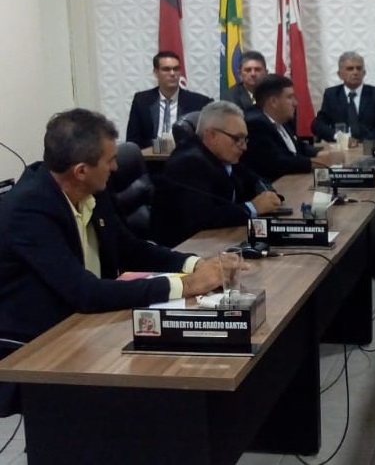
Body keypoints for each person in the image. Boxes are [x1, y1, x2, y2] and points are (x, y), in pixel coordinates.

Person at [0, 109, 223, 345]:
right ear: (81, 171)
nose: (115, 167)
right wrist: (187, 284)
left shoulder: (92, 190)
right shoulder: (28, 211)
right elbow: (84, 292)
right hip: (35, 344)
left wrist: (195, 264)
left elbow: (129, 249)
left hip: (88, 325)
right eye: (109, 161)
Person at [150, 101, 282, 247]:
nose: (244, 147)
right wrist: (253, 207)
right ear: (212, 135)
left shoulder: (224, 156)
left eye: (245, 139)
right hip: (184, 247)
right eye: (237, 139)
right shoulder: (189, 163)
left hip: (216, 239)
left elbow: (254, 179)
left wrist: (266, 191)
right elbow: (203, 217)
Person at [126, 51, 213, 148]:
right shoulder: (141, 101)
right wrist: (162, 147)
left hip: (184, 155)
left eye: (176, 69)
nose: (172, 73)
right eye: (166, 69)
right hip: (149, 156)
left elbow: (205, 141)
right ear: (156, 72)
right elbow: (132, 142)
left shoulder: (199, 102)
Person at [242, 74, 318, 181]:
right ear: (273, 102)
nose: (295, 103)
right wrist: (315, 163)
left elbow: (298, 146)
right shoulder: (256, 123)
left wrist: (320, 152)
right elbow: (275, 163)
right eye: (289, 97)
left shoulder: (282, 119)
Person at [311, 51, 375, 146]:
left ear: (364, 73)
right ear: (340, 74)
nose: (355, 72)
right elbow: (318, 125)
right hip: (342, 147)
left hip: (369, 146)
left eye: (359, 68)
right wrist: (339, 137)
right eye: (350, 69)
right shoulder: (331, 95)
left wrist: (361, 142)